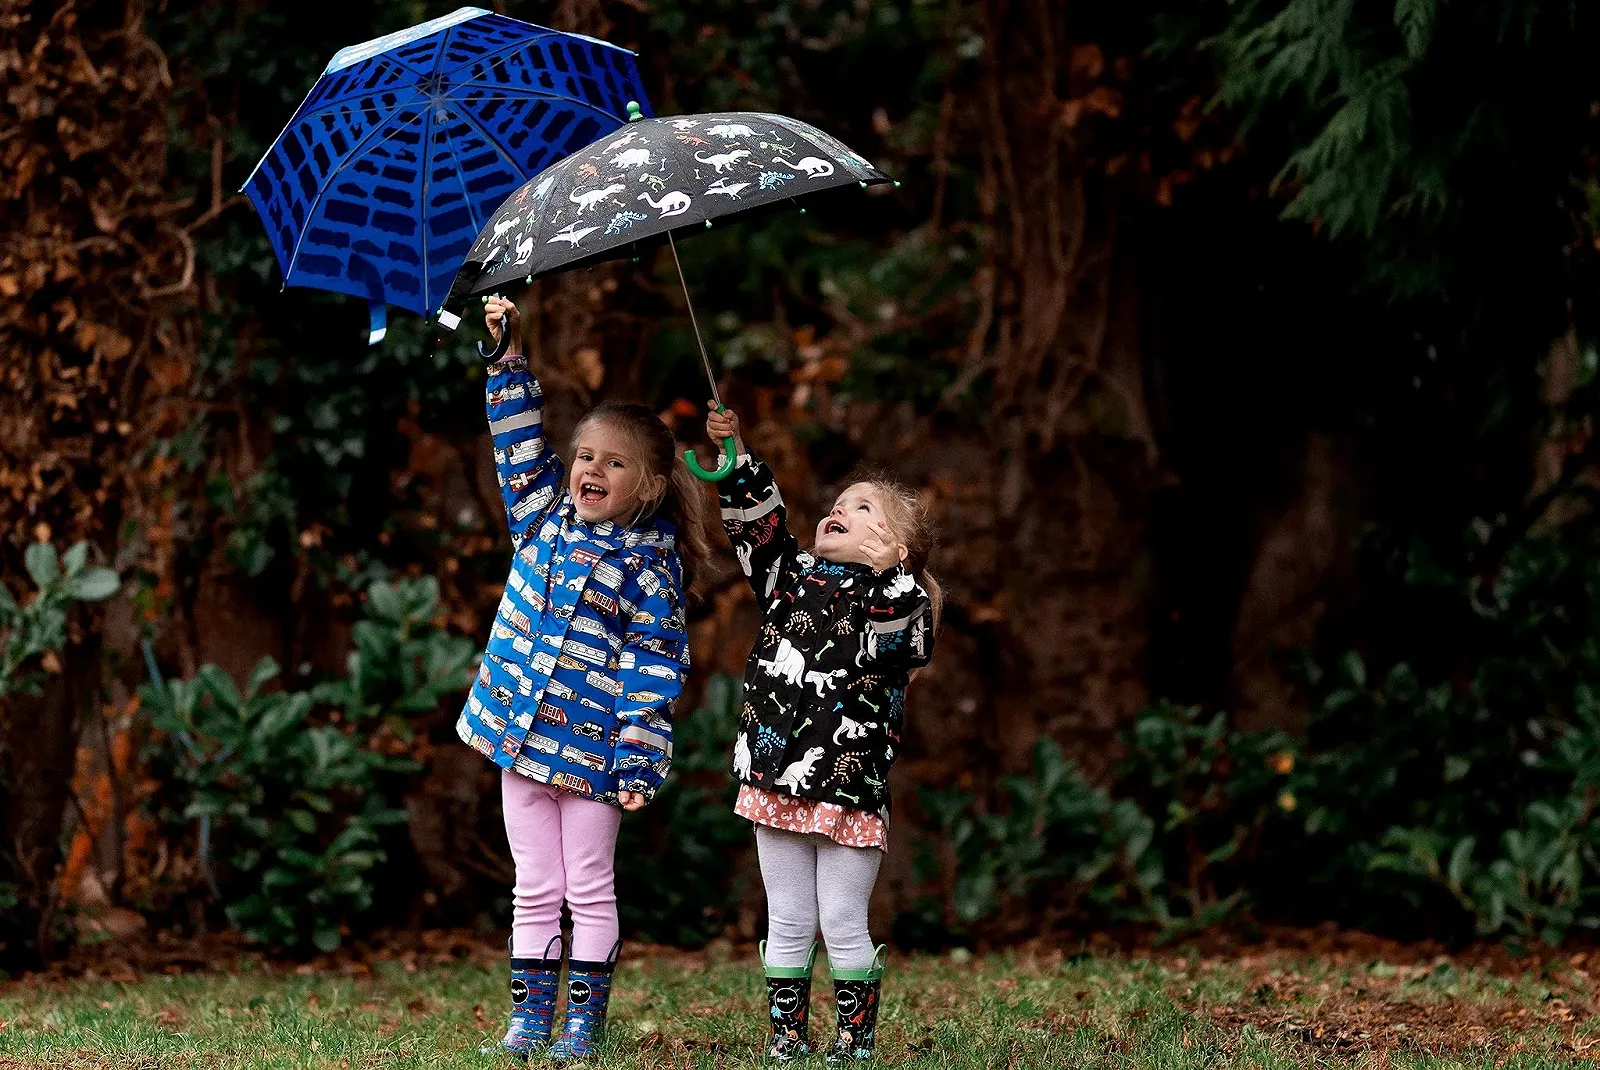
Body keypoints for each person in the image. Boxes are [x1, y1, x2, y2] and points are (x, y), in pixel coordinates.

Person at [459, 296, 710, 1061]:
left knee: (588, 886)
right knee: (534, 886)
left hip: (595, 756)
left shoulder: (650, 569)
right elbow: (515, 447)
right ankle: (530, 1019)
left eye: (614, 462)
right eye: (584, 456)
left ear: (651, 486)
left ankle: (582, 1022)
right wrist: (506, 361)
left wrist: (637, 757)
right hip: (515, 736)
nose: (591, 470)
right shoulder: (542, 519)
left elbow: (653, 669)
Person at [706, 403, 939, 1064]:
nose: (842, 510)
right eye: (840, 503)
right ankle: (785, 1041)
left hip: (847, 786)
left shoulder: (902, 600)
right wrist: (737, 457)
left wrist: (893, 574)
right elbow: (759, 529)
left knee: (840, 919)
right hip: (776, 774)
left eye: (866, 510)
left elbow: (902, 648)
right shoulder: (794, 581)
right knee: (787, 917)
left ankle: (854, 1041)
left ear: (895, 547)